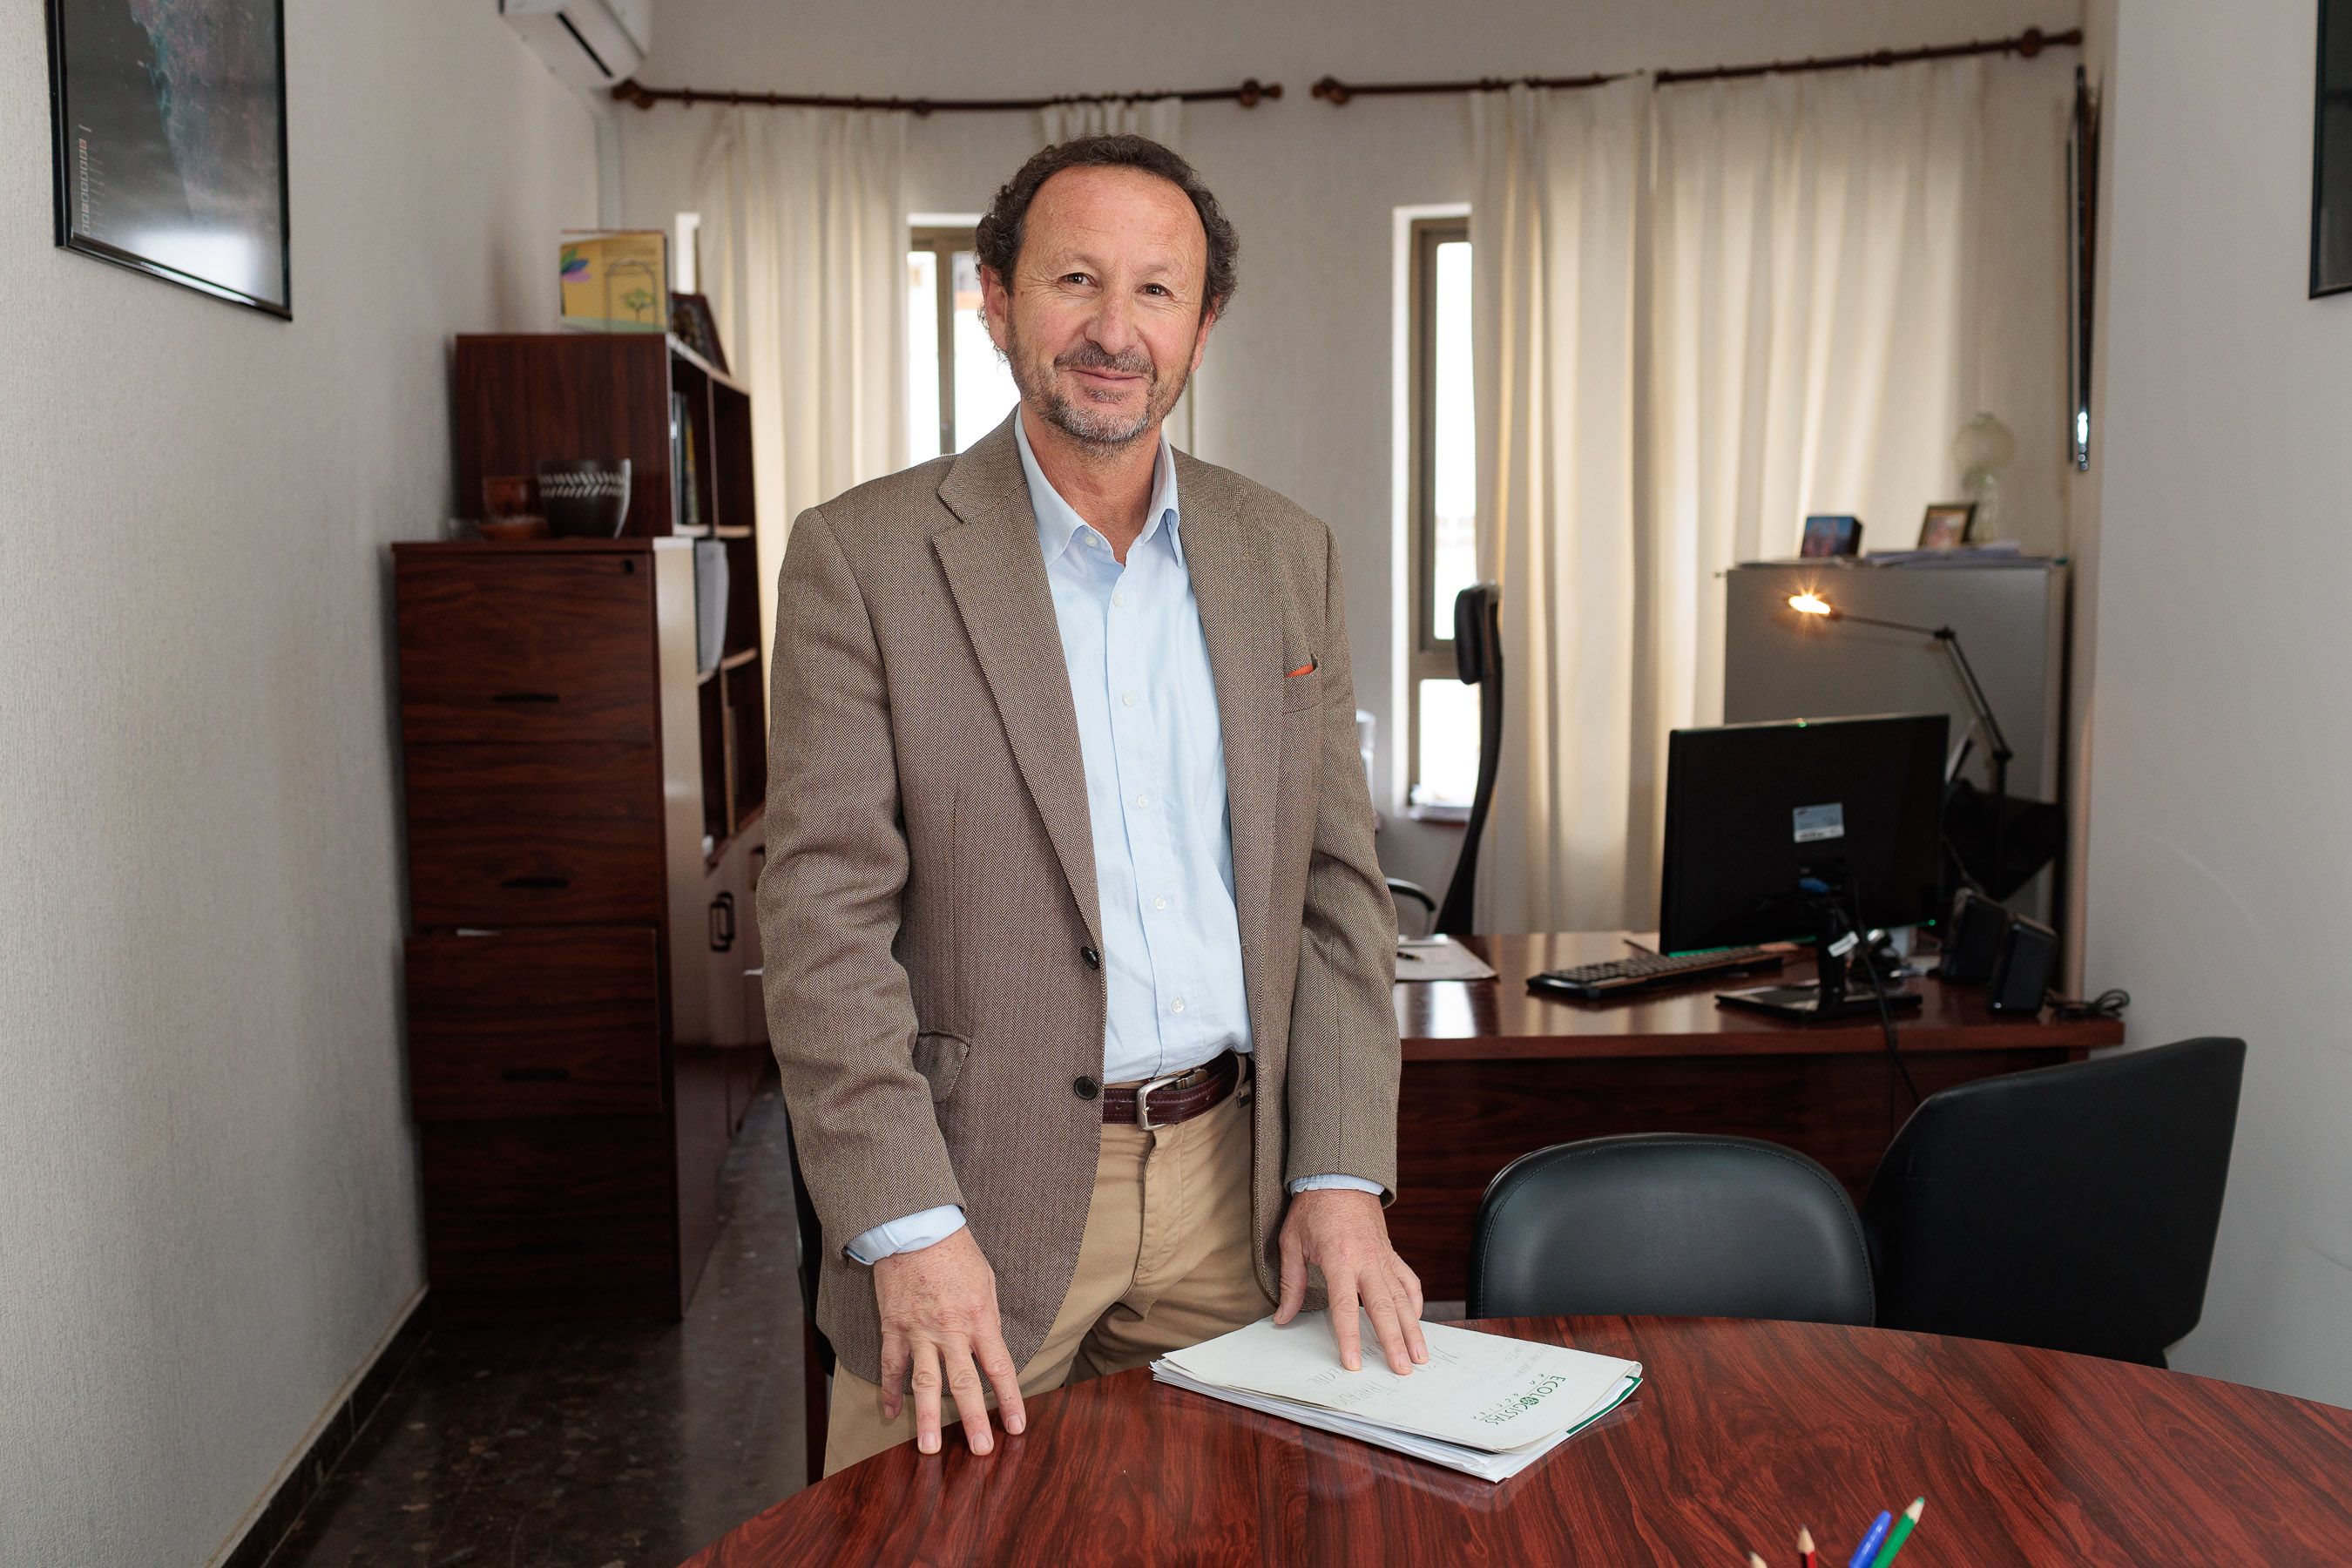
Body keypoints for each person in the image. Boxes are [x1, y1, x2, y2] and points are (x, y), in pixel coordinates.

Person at [758, 133, 1420, 1477]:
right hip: (972, 1202)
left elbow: (1335, 895)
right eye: (1073, 280)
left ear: (1203, 323)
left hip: (1237, 1187)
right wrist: (904, 1223)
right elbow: (823, 924)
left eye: (1157, 291)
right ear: (995, 301)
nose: (1115, 331)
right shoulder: (864, 559)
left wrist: (1341, 1177)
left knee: (1246, 1531)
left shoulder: (1288, 555)